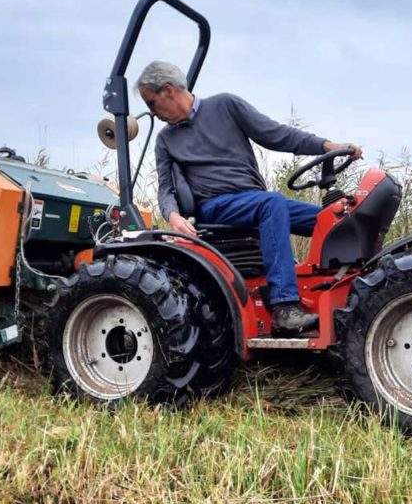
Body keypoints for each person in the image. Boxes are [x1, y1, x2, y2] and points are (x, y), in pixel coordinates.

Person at [138, 60, 362, 335]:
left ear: (169, 90)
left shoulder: (226, 106)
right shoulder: (166, 140)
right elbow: (165, 188)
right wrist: (174, 217)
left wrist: (328, 146)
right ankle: (284, 306)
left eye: (151, 103)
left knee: (333, 219)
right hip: (215, 206)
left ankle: (359, 286)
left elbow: (277, 134)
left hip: (253, 201)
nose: (152, 113)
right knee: (272, 203)